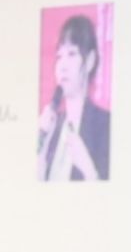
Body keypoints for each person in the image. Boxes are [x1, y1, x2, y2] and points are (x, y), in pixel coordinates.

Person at [38, 11, 111, 182]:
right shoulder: (51, 126)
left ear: (90, 61)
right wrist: (41, 146)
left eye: (71, 54)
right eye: (59, 56)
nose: (62, 65)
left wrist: (89, 171)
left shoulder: (105, 126)